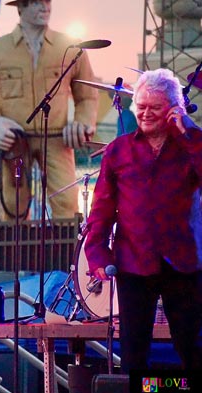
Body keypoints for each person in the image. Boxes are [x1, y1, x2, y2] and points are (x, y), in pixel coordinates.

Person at [84, 68, 202, 373]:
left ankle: (175, 391)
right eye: (141, 106)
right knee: (135, 354)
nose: (146, 113)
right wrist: (97, 254)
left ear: (173, 109)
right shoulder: (118, 151)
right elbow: (101, 210)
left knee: (191, 346)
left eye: (155, 107)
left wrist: (189, 133)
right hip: (133, 262)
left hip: (184, 262)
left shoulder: (192, 145)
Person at [0, 0, 98, 220]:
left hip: (57, 141)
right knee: (13, 206)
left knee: (67, 205)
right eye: (35, 2)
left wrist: (82, 122)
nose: (45, 7)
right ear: (20, 7)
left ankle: (64, 254)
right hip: (14, 142)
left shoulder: (70, 47)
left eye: (47, 2)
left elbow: (88, 95)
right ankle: (15, 255)